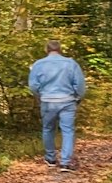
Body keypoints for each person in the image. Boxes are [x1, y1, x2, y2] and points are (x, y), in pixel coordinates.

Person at [28, 39, 86, 172]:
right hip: (67, 101)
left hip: (48, 101)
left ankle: (51, 159)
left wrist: (39, 96)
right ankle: (65, 162)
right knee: (68, 130)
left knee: (48, 129)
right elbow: (80, 85)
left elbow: (33, 85)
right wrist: (78, 97)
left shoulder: (38, 64)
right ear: (60, 49)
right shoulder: (71, 64)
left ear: (46, 50)